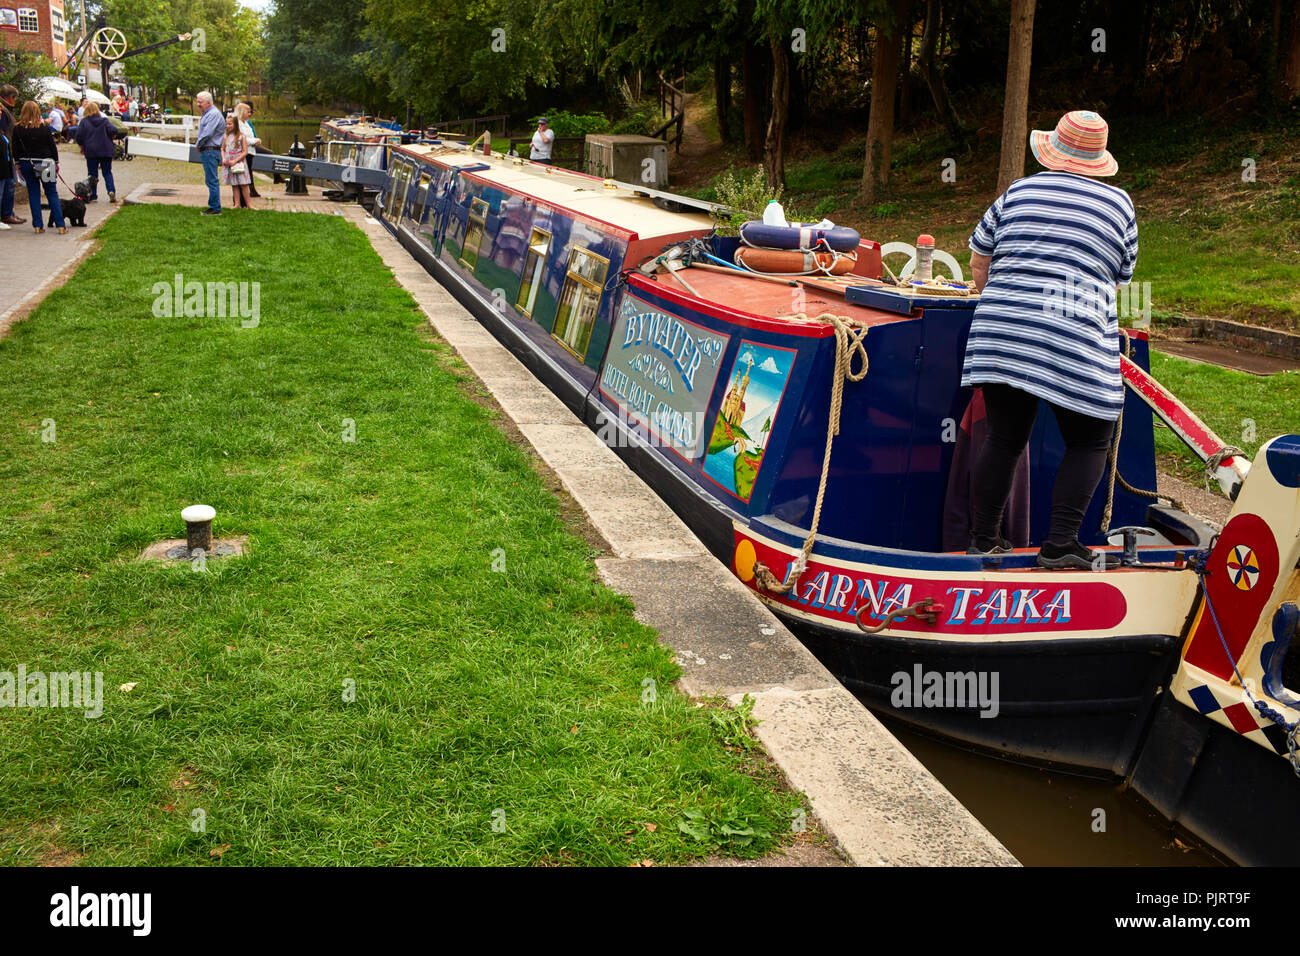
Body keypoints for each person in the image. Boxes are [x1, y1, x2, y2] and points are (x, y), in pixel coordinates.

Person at [963, 110, 1138, 570]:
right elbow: (1118, 281)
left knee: (1004, 438)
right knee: (1091, 438)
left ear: (1053, 151)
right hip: (1074, 333)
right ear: (1100, 159)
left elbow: (980, 262)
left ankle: (983, 540)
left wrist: (1008, 300)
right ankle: (1060, 543)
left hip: (1002, 333)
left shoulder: (1018, 191)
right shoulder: (1120, 205)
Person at [12, 100, 66, 234]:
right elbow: (52, 147)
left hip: (26, 162)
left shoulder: (18, 129)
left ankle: (37, 225)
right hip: (46, 162)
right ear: (37, 112)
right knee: (51, 193)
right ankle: (60, 225)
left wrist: (17, 164)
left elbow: (15, 148)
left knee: (33, 193)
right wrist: (56, 162)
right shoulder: (44, 128)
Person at [74, 102, 119, 203]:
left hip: (91, 151)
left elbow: (79, 136)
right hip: (106, 150)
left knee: (92, 174)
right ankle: (111, 191)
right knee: (107, 172)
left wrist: (81, 146)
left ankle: (93, 195)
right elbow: (113, 130)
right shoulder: (104, 121)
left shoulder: (84, 122)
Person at [193, 91, 223, 216]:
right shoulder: (208, 114)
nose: (198, 104)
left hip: (211, 150)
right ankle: (214, 207)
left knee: (212, 181)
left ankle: (215, 208)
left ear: (208, 102)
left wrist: (198, 144)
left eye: (200, 102)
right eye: (197, 101)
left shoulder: (213, 114)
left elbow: (207, 133)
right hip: (209, 150)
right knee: (210, 180)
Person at [0, 84, 25, 227]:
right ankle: (6, 214)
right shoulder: (3, 111)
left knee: (9, 183)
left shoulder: (5, 110)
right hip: (5, 152)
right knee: (8, 183)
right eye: (15, 98)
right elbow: (3, 133)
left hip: (7, 151)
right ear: (10, 98)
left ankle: (8, 213)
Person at [221, 113, 252, 209]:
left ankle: (249, 204)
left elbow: (245, 151)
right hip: (229, 163)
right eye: (226, 124)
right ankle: (237, 204)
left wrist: (236, 160)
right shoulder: (226, 137)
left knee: (244, 184)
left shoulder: (241, 136)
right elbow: (222, 149)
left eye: (230, 124)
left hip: (239, 163)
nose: (227, 126)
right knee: (234, 184)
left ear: (235, 124)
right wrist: (223, 158)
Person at [234, 102, 263, 197]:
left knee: (247, 175)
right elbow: (241, 138)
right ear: (242, 112)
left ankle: (247, 196)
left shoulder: (246, 123)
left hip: (250, 152)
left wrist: (258, 140)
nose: (250, 114)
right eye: (248, 112)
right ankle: (241, 198)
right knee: (242, 175)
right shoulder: (237, 123)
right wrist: (254, 141)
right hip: (242, 153)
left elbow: (250, 136)